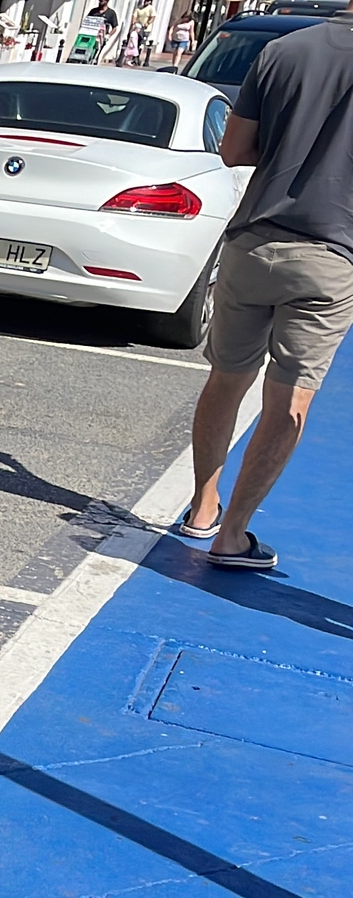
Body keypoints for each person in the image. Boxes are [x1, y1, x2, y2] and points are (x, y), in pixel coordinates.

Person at [179, 16, 353, 570]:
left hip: (253, 240)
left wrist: (293, 150)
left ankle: (203, 508)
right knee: (289, 402)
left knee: (226, 379)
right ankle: (233, 536)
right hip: (333, 254)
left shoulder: (283, 50)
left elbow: (234, 150)